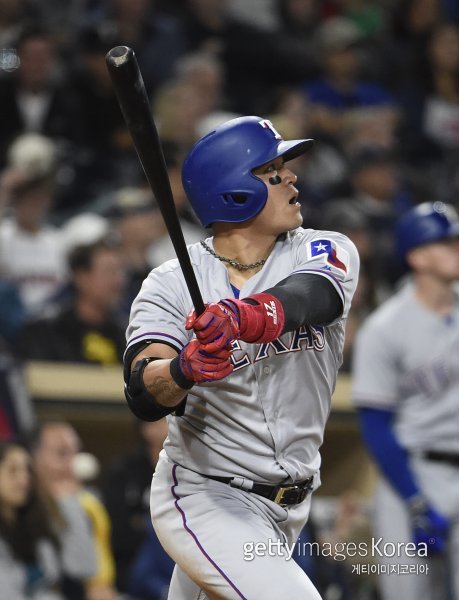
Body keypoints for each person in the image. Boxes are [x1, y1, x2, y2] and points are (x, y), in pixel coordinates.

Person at [123, 115, 359, 599]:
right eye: (272, 170)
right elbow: (143, 390)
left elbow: (314, 295)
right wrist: (184, 369)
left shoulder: (323, 248)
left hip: (289, 509)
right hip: (206, 494)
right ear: (233, 190)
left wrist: (243, 316)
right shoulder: (170, 281)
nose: (291, 176)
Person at [351, 202, 459, 600]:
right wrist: (414, 500)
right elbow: (375, 425)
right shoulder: (384, 329)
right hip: (412, 477)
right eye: (446, 242)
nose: (456, 248)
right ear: (417, 256)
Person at [0, 439, 96, 599]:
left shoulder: (36, 521)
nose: (24, 479)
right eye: (13, 470)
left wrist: (69, 502)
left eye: (27, 471)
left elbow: (83, 567)